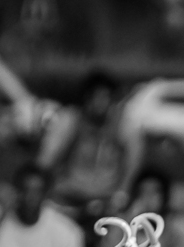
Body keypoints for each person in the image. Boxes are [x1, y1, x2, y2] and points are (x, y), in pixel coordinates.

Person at [46, 70, 128, 221]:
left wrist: (123, 189)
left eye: (107, 98)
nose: (102, 104)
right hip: (70, 198)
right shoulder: (71, 121)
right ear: (86, 99)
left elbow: (134, 154)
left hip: (106, 200)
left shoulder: (120, 124)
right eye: (98, 98)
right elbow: (47, 160)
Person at [125, 167, 184, 247]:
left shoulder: (178, 224)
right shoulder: (127, 225)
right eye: (143, 192)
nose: (148, 198)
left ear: (165, 196)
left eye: (154, 192)